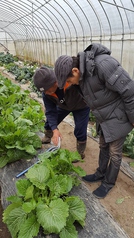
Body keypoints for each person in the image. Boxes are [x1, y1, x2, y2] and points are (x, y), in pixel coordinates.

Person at [54, 43, 134, 198]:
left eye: (70, 81)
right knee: (103, 145)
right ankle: (100, 173)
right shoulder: (83, 74)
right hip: (104, 117)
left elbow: (129, 91)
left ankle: (108, 183)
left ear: (75, 70)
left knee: (115, 153)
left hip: (118, 116)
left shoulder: (103, 64)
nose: (71, 85)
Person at [33, 66, 90, 160]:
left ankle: (80, 153)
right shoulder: (46, 94)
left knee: (80, 129)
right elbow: (50, 111)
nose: (46, 93)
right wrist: (55, 130)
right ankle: (47, 136)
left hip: (81, 106)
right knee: (50, 123)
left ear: (54, 82)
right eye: (44, 91)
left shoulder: (70, 81)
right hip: (63, 106)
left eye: (47, 90)